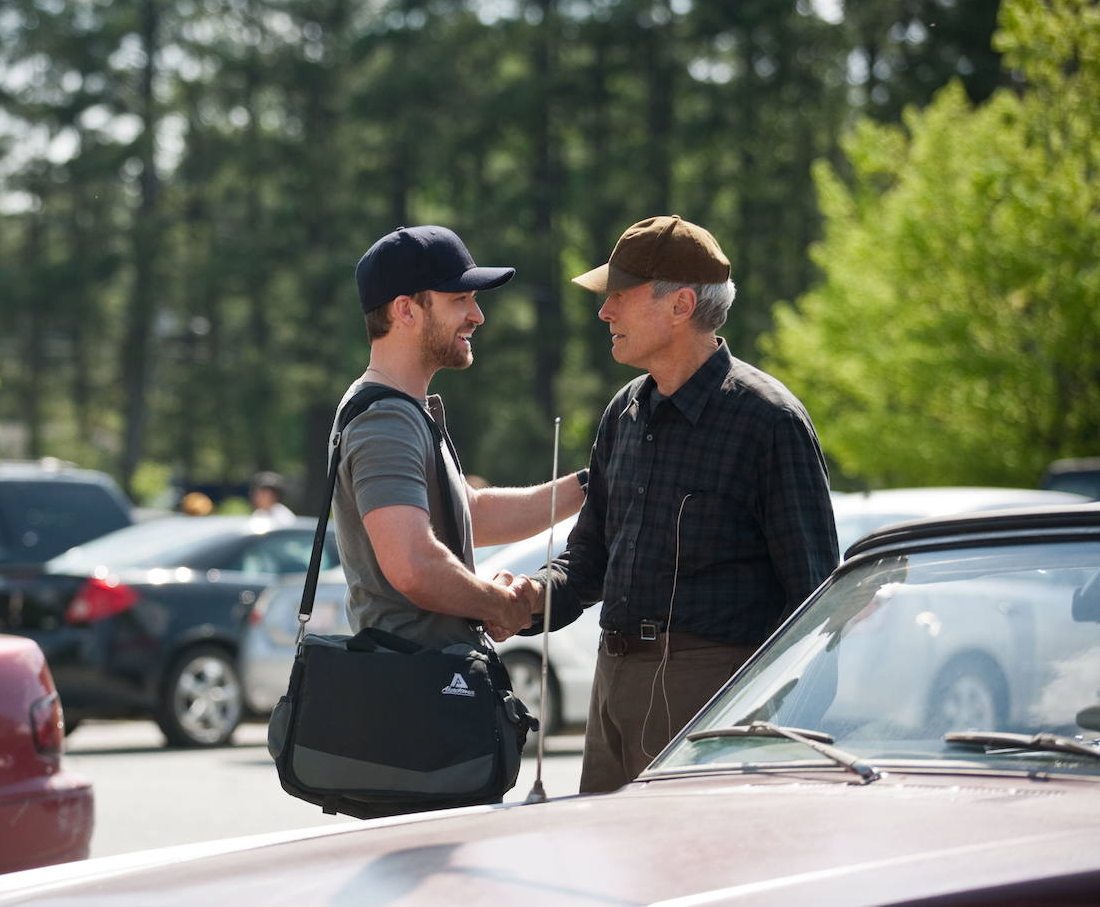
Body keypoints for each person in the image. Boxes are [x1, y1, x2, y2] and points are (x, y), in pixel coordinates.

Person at [514, 214, 839, 793]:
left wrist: (782, 737)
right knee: (611, 872)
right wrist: (527, 599)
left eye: (618, 296)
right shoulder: (624, 411)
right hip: (611, 685)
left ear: (681, 305)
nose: (603, 312)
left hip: (714, 703)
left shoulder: (769, 421)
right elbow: (588, 558)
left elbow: (814, 606)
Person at [333, 225, 585, 650]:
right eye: (460, 299)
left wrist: (590, 485)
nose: (477, 315)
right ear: (405, 310)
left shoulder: (401, 409)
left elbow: (470, 514)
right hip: (414, 687)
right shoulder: (385, 421)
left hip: (423, 681)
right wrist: (498, 605)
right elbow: (412, 564)